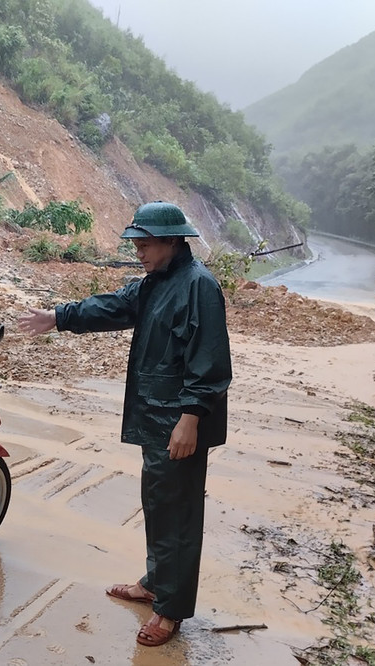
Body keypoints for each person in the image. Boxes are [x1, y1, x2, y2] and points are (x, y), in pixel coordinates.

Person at [18, 201, 232, 647]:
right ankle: (156, 582)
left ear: (173, 241)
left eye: (145, 243)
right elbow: (113, 307)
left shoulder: (199, 287)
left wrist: (190, 418)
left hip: (178, 421)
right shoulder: (157, 283)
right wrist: (58, 317)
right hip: (156, 417)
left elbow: (208, 361)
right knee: (157, 503)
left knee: (178, 514)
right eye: (135, 243)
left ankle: (169, 612)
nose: (138, 250)